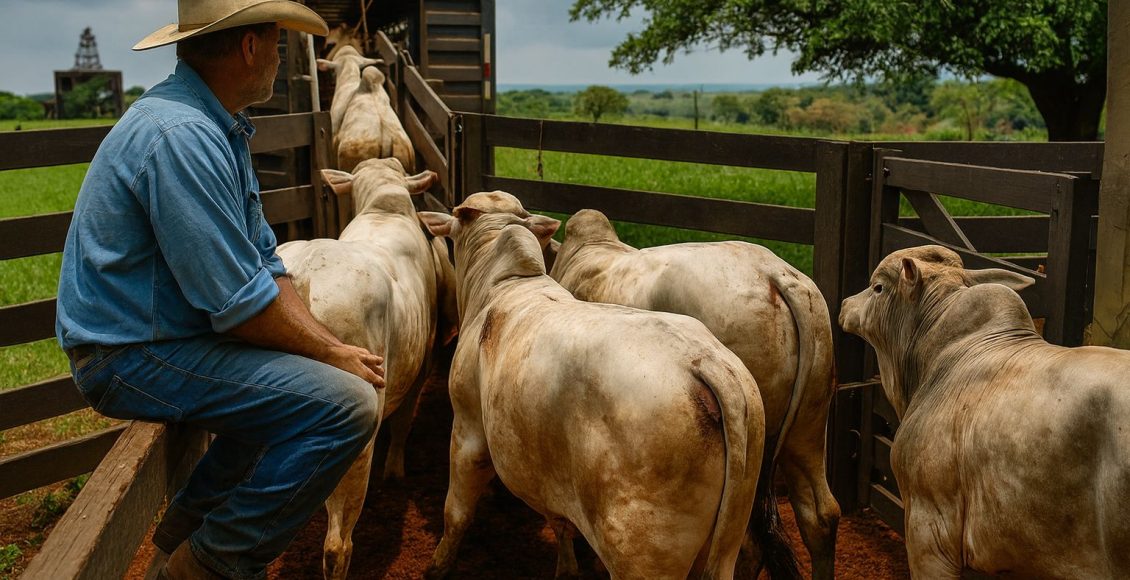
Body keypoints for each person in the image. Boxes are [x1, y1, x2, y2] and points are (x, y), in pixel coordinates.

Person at [55, 1, 385, 578]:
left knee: (301, 390)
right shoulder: (182, 136)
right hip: (126, 354)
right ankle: (214, 564)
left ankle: (180, 536)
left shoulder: (212, 125)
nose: (280, 60)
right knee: (347, 406)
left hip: (163, 336)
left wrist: (325, 347)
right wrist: (333, 354)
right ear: (249, 48)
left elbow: (264, 266)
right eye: (277, 45)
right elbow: (237, 306)